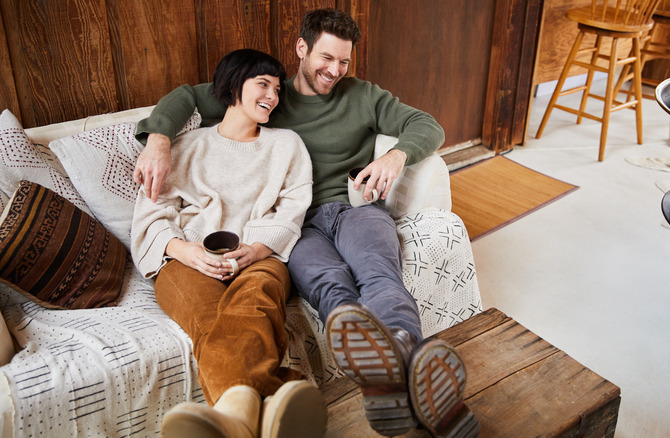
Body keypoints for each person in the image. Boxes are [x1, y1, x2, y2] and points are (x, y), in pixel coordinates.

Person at [133, 8, 479, 438]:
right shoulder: (265, 95)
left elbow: (425, 124)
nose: (335, 70)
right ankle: (382, 376)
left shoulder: (362, 95)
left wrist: (395, 155)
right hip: (300, 227)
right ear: (301, 48)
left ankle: (404, 352)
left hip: (355, 209)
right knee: (329, 284)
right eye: (326, 58)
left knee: (377, 273)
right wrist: (160, 140)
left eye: (344, 61)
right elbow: (186, 97)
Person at [130, 48, 325, 438]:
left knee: (253, 304)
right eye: (263, 84)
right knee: (210, 320)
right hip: (186, 260)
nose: (273, 95)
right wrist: (186, 252)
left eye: (277, 89)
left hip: (260, 257)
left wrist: (256, 249)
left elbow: (292, 211)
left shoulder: (286, 145)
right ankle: (275, 398)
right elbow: (150, 216)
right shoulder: (187, 147)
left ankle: (235, 421)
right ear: (234, 86)